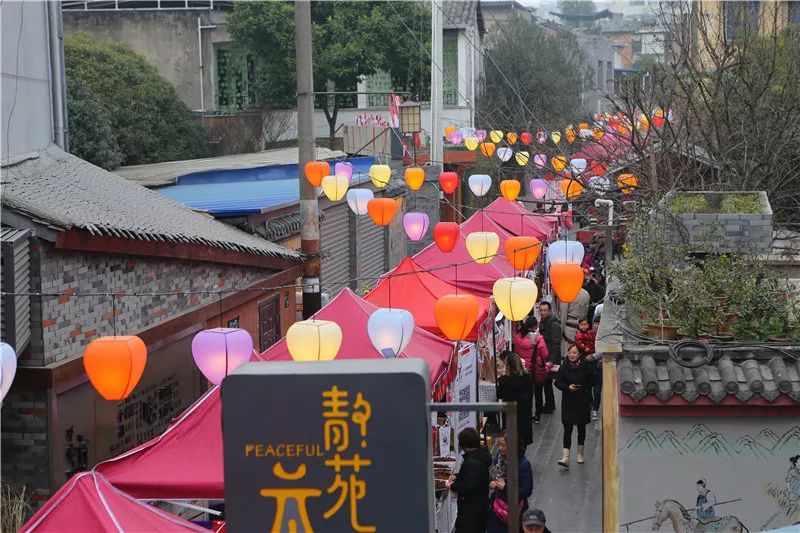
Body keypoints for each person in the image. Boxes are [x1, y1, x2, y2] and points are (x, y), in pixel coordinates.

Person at [554, 344, 595, 468]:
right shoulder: (564, 366)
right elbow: (557, 382)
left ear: (579, 354)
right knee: (567, 428)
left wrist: (584, 386)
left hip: (582, 400)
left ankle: (580, 453)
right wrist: (567, 387)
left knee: (581, 428)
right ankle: (566, 456)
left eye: (574, 353)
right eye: (570, 352)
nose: (571, 355)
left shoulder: (586, 366)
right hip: (568, 400)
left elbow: (594, 379)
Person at [486, 431, 534, 533]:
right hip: (497, 507)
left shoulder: (523, 464)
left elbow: (526, 491)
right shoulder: (499, 458)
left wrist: (505, 487)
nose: (500, 448)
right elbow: (494, 475)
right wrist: (492, 482)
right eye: (499, 444)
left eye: (503, 445)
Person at [446, 427, 492, 533]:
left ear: (463, 444)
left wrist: (452, 485)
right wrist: (458, 476)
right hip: (479, 509)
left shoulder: (471, 462)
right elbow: (474, 477)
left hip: (471, 514)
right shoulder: (480, 457)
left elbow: (469, 486)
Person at [497, 350, 533, 447]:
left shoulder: (505, 380)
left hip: (510, 414)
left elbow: (499, 395)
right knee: (522, 440)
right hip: (524, 414)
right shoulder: (528, 377)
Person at [537, 301, 561, 414]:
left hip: (549, 357)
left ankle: (549, 405)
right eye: (541, 310)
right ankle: (550, 404)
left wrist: (551, 360)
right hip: (545, 356)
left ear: (550, 310)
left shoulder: (553, 324)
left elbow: (556, 343)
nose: (542, 312)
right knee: (547, 382)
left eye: (545, 310)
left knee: (547, 382)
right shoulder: (544, 321)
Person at [525, 316, 550, 424]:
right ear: (536, 325)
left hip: (525, 369)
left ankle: (527, 414)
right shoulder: (538, 338)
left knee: (527, 393)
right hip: (536, 369)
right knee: (538, 393)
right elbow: (545, 354)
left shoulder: (519, 336)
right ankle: (537, 415)